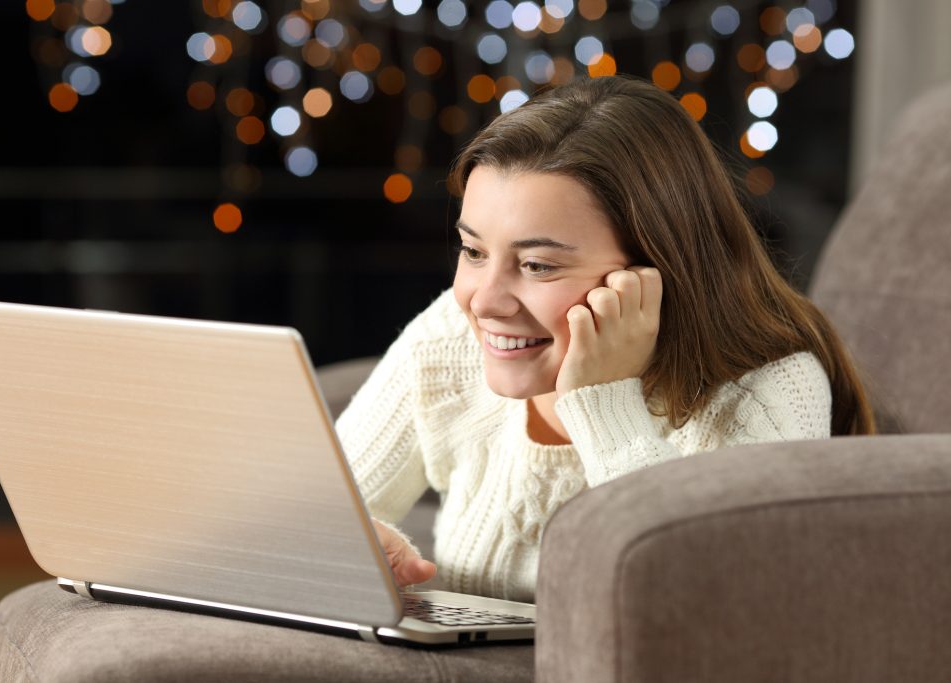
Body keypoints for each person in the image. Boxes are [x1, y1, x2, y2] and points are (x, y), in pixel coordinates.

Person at [334, 74, 874, 604]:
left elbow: (711, 613)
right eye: (473, 251)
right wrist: (365, 547)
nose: (483, 301)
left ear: (653, 273)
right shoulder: (450, 336)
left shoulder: (768, 391)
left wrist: (604, 403)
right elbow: (310, 516)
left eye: (538, 264)